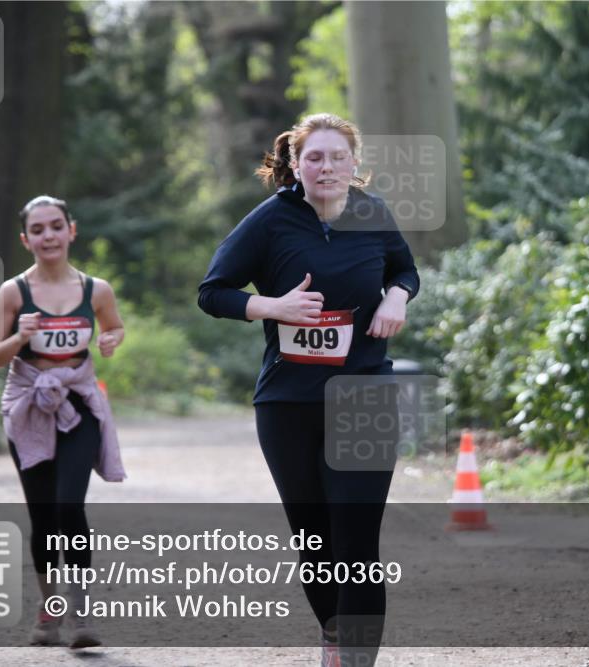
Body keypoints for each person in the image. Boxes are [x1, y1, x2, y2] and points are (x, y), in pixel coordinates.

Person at [198, 113, 419, 667]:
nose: (326, 166)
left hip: (364, 393)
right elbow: (213, 292)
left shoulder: (372, 213)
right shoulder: (270, 221)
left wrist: (397, 298)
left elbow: (405, 271)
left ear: (354, 164)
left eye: (337, 157)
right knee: (316, 541)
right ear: (295, 165)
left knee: (357, 541)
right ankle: (334, 637)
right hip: (288, 403)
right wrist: (273, 307)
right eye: (314, 157)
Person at [0, 195, 126, 649]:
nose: (49, 236)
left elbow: (114, 325)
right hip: (27, 405)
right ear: (27, 240)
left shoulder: (95, 289)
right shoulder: (13, 292)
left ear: (71, 231)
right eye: (38, 230)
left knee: (69, 505)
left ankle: (81, 615)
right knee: (43, 516)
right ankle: (50, 615)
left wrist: (110, 340)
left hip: (78, 404)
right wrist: (19, 337)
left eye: (56, 227)